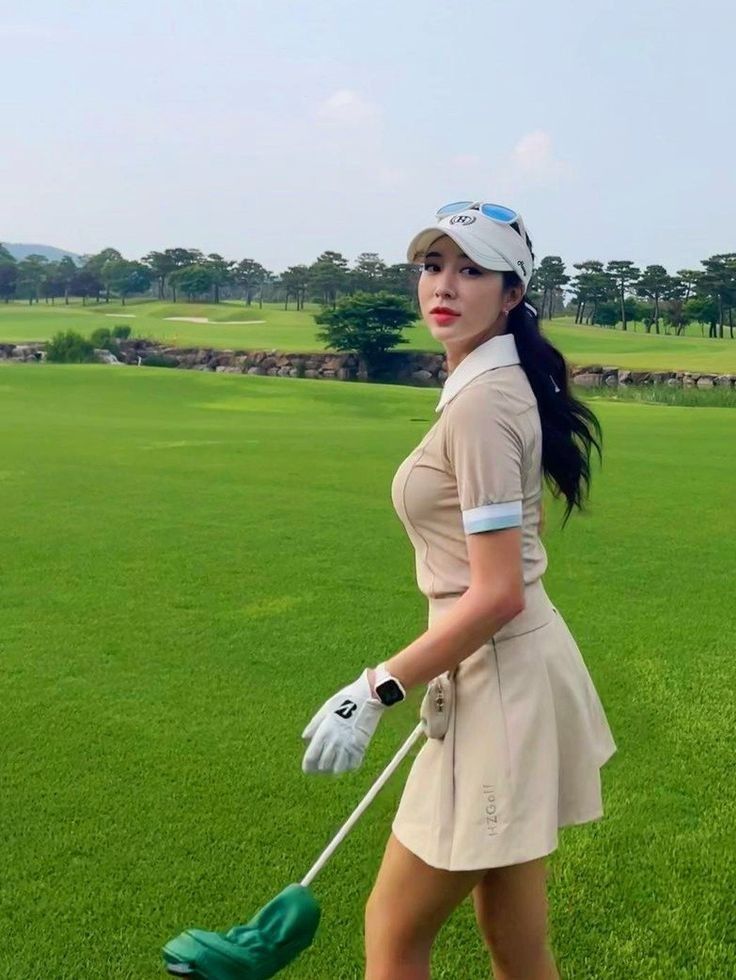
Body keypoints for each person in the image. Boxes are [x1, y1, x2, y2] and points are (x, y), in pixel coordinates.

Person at [301, 200, 618, 980]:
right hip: (507, 672)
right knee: (514, 937)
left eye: (472, 270)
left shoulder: (482, 402)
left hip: (500, 684)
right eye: (433, 265)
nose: (443, 285)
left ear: (512, 294)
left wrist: (376, 689)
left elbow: (498, 591)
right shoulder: (494, 386)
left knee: (393, 931)